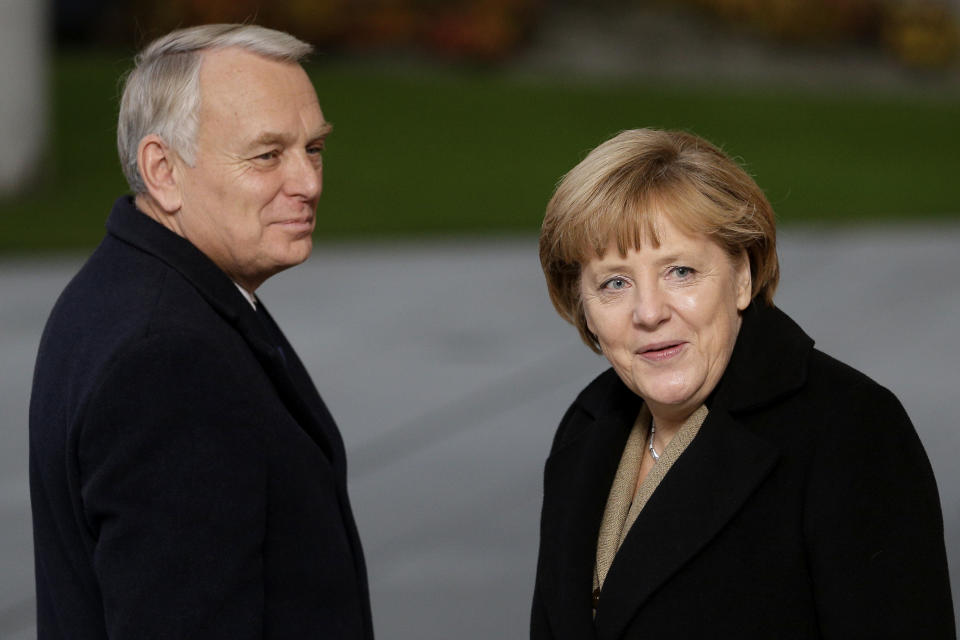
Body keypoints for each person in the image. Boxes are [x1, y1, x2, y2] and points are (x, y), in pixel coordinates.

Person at [531, 128, 955, 639]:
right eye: (615, 283)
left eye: (680, 271)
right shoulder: (585, 429)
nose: (648, 312)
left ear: (742, 277)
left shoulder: (851, 429)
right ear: (584, 306)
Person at [29, 24, 374, 639]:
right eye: (267, 155)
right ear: (162, 169)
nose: (309, 182)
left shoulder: (135, 287)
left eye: (313, 148)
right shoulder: (166, 357)